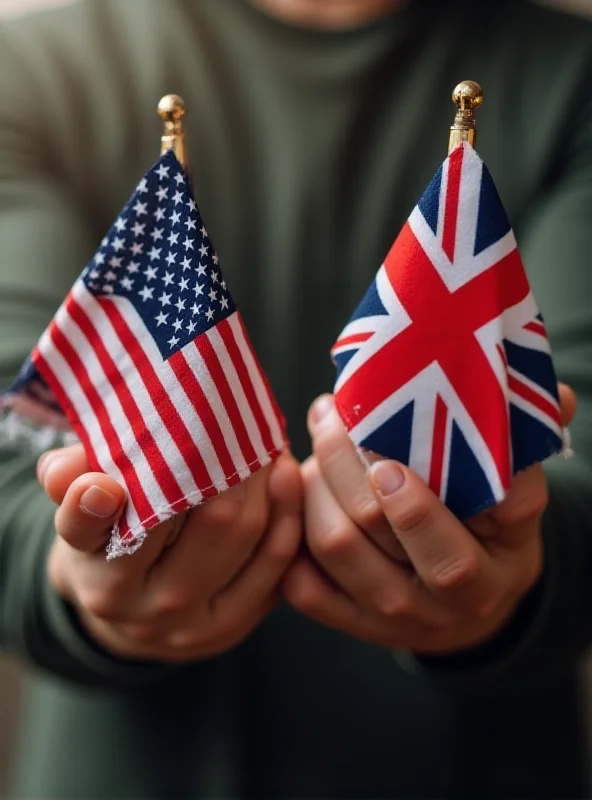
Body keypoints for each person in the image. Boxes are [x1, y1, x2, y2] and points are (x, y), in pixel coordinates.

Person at [0, 0, 591, 797]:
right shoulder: (33, 68)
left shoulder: (570, 75)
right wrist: (68, 580)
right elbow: (17, 436)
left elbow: (574, 439)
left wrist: (528, 564)